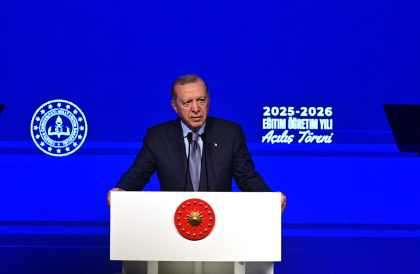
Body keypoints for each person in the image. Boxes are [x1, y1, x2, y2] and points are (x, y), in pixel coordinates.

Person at [107, 74, 286, 213]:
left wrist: (268, 198)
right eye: (187, 102)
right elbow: (138, 173)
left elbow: (247, 177)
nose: (195, 109)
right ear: (174, 106)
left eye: (201, 100)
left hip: (220, 225)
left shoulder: (230, 133)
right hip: (172, 225)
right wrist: (121, 190)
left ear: (209, 99)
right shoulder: (158, 136)